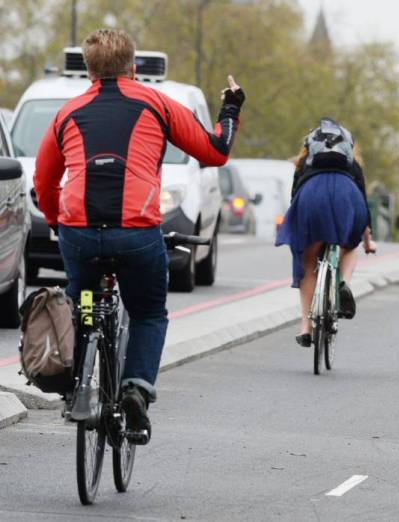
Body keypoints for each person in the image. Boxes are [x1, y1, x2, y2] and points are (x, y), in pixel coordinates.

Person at [34, 29, 244, 443]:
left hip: (79, 229)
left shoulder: (67, 113)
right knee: (148, 312)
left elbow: (44, 182)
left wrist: (60, 225)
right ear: (134, 68)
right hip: (136, 231)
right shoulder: (159, 104)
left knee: (80, 303)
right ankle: (135, 388)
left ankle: (76, 383)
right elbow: (216, 150)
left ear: (89, 71)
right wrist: (231, 106)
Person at [276, 118, 377, 346]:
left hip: (311, 196)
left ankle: (305, 328)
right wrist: (367, 241)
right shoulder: (352, 165)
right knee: (349, 246)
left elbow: (295, 197)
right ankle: (344, 284)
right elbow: (363, 205)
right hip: (346, 194)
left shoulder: (305, 162)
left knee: (308, 262)